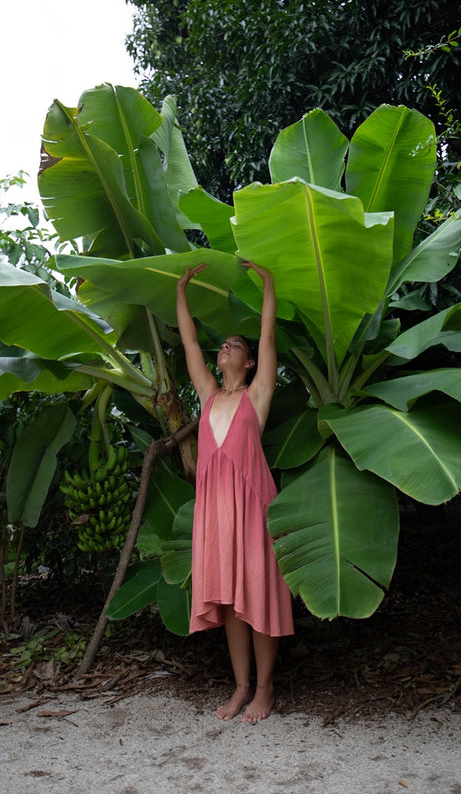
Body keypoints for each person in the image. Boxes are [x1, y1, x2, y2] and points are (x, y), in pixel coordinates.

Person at [176, 259, 294, 724]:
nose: (226, 346)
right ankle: (241, 686)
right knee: (229, 602)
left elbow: (268, 336)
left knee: (257, 596)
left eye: (236, 345)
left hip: (252, 507)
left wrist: (268, 284)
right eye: (223, 344)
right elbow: (189, 342)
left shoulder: (257, 394)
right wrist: (181, 291)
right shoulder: (208, 395)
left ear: (248, 363)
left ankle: (264, 689)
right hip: (215, 512)